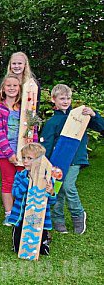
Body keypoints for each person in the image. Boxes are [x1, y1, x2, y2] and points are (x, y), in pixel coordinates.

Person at [41, 84, 104, 234]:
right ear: (53, 100)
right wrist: (46, 164)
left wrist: (93, 114)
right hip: (57, 161)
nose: (65, 101)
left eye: (68, 98)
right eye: (62, 98)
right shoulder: (51, 122)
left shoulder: (79, 115)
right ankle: (58, 219)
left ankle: (78, 214)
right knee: (57, 189)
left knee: (68, 186)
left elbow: (101, 127)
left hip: (76, 158)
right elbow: (47, 144)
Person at [0, 74, 37, 225]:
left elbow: (32, 129)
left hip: (25, 154)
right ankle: (9, 214)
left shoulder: (26, 108)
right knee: (8, 182)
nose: (11, 88)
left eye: (15, 86)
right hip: (4, 153)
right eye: (8, 85)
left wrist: (33, 151)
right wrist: (9, 154)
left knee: (24, 181)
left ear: (19, 88)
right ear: (3, 89)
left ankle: (22, 212)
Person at [7, 143, 55, 256]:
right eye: (24, 158)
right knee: (18, 245)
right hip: (21, 215)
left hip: (39, 217)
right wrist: (27, 181)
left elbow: (52, 201)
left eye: (29, 158)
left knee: (41, 243)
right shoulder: (20, 175)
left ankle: (44, 241)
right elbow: (15, 193)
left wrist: (51, 192)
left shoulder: (47, 177)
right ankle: (17, 244)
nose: (25, 161)